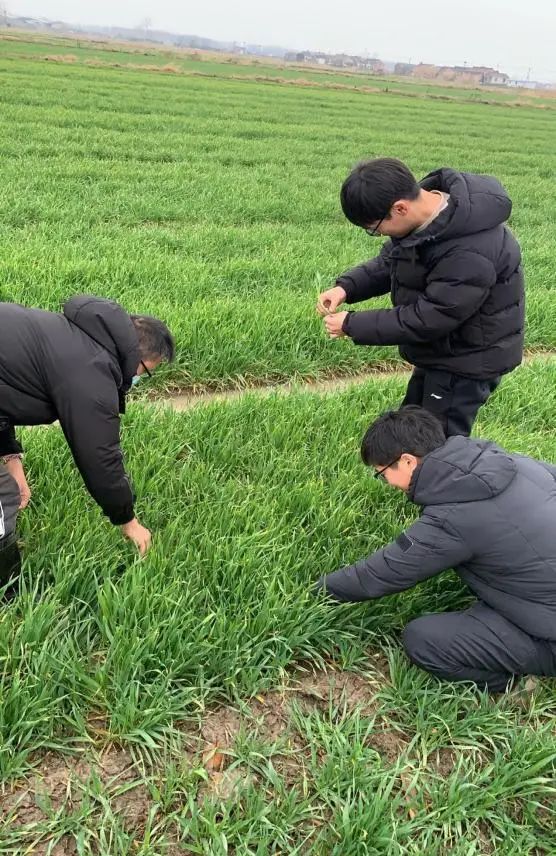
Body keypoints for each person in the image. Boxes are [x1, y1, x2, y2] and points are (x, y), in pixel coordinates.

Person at [314, 406, 556, 692]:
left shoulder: (453, 517)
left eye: (381, 473)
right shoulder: (518, 463)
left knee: (424, 640)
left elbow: (380, 574)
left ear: (407, 461)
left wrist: (316, 592)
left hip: (549, 633)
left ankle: (516, 687)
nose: (386, 483)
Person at [317, 158, 525, 437]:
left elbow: (431, 316)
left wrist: (352, 324)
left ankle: (440, 467)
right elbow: (391, 261)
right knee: (412, 425)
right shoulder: (427, 223)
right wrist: (347, 287)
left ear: (400, 208)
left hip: (465, 361)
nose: (378, 234)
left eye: (374, 228)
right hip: (443, 351)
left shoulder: (468, 251)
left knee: (439, 442)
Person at [0, 294, 175, 590]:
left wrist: (11, 458)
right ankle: (8, 595)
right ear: (137, 358)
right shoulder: (92, 371)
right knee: (2, 498)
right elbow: (100, 456)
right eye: (147, 372)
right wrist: (128, 521)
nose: (139, 379)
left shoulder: (74, 338)